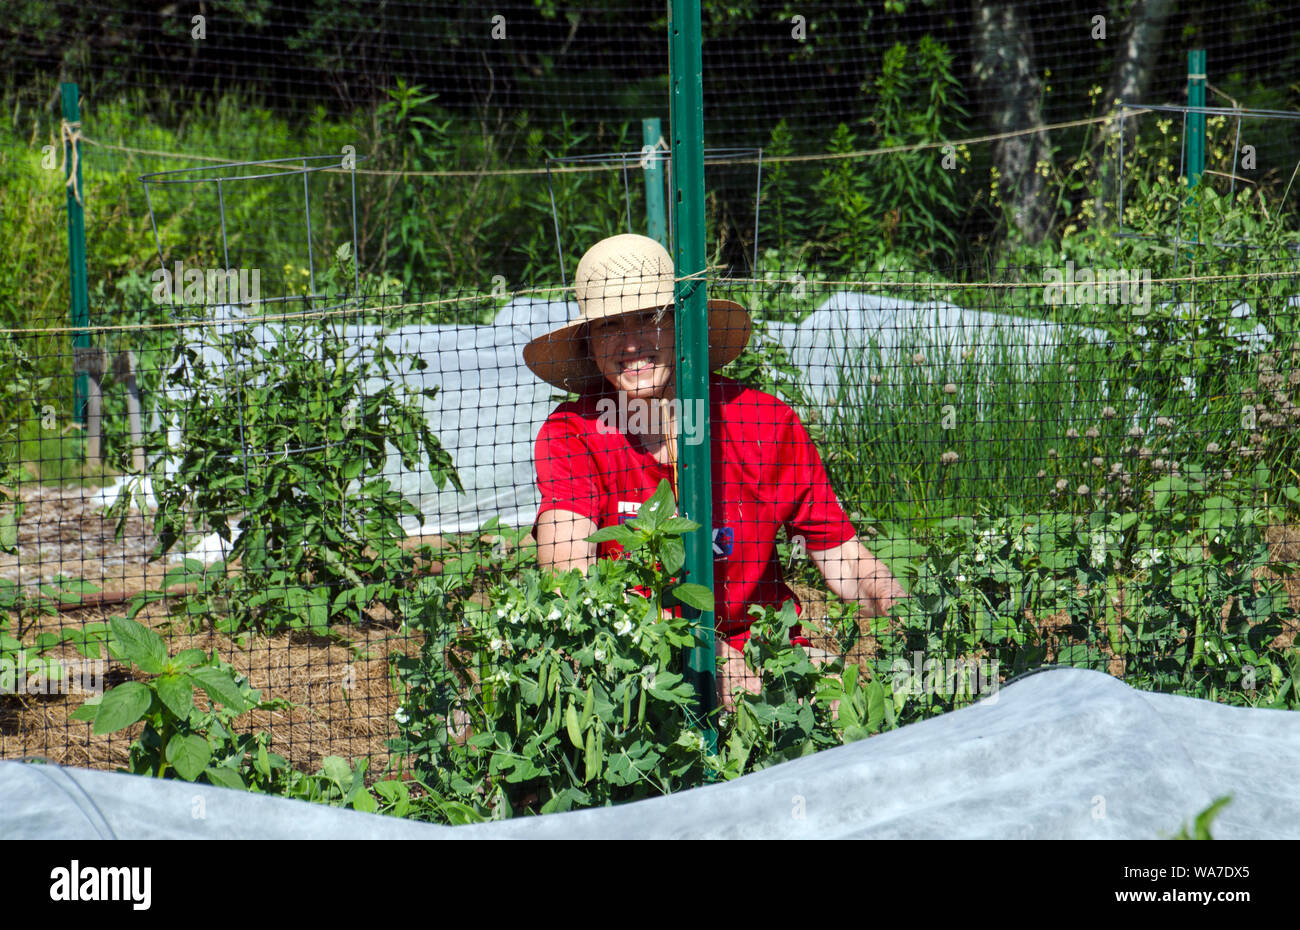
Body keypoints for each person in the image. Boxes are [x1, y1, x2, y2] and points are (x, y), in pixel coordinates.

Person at [523, 234, 906, 712]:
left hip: (768, 650)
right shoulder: (574, 434)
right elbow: (567, 577)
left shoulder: (763, 423)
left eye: (650, 318)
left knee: (845, 711)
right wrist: (699, 647)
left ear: (684, 326)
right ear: (588, 342)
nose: (632, 343)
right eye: (610, 325)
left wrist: (895, 600)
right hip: (635, 658)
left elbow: (842, 556)